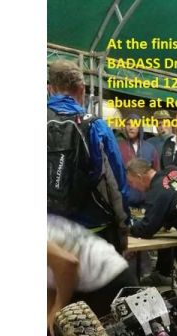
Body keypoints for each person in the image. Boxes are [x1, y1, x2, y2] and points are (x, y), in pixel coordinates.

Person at [47, 59, 130, 253]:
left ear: (50, 89)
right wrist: (123, 225)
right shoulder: (96, 126)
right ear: (82, 89)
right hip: (93, 231)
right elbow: (116, 183)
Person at [125, 158, 177, 256]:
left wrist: (127, 228)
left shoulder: (156, 192)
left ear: (139, 177)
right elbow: (175, 197)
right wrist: (166, 224)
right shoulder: (173, 169)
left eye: (131, 183)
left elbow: (145, 229)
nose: (134, 187)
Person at [118, 114, 161, 208]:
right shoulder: (119, 148)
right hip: (124, 202)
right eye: (128, 124)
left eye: (134, 124)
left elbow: (157, 174)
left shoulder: (150, 148)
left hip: (146, 202)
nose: (131, 127)